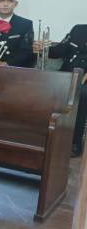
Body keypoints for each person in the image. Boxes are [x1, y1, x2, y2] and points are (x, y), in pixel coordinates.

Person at [37, 24, 87, 156]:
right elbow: (60, 50)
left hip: (84, 81)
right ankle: (41, 137)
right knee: (41, 85)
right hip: (66, 76)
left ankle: (74, 143)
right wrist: (44, 48)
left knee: (81, 95)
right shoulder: (78, 29)